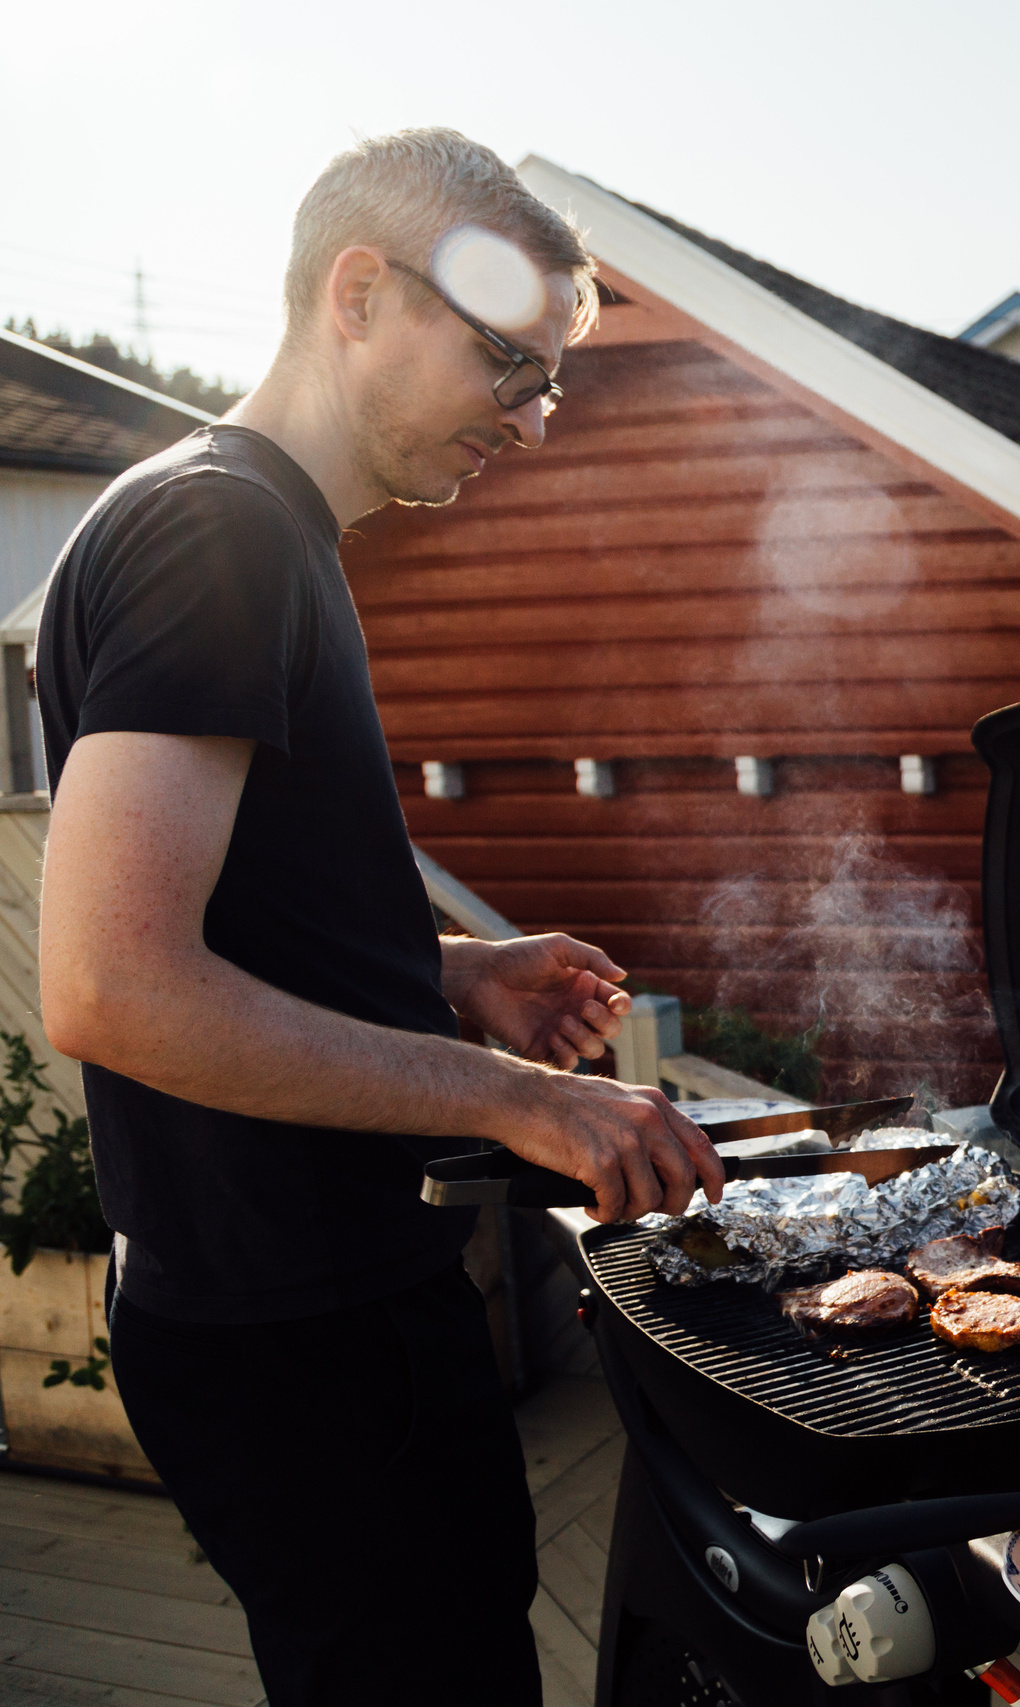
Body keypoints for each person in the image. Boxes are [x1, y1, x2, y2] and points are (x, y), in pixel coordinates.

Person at [35, 130, 726, 1706]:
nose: (534, 423)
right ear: (358, 294)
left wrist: (452, 972)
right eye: (508, 363)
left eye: (550, 380)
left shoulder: (238, 525)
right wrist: (525, 1101)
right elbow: (110, 985)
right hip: (298, 1327)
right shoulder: (222, 532)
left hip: (293, 1305)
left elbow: (227, 919)